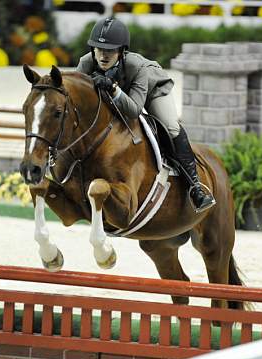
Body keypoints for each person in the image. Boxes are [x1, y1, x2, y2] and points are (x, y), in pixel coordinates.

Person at [75, 17, 216, 213]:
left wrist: (114, 89)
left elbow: (133, 110)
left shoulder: (138, 67)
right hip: (123, 94)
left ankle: (196, 187)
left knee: (171, 126)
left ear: (122, 51)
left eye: (110, 50)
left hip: (151, 91)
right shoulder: (85, 64)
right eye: (99, 49)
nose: (103, 56)